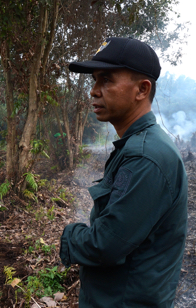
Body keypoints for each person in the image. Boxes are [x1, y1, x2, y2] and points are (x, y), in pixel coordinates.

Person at [60, 37, 188, 307]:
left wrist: (69, 235)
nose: (94, 91)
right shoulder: (136, 145)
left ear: (142, 89)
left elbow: (106, 244)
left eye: (106, 79)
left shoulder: (145, 156)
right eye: (94, 80)